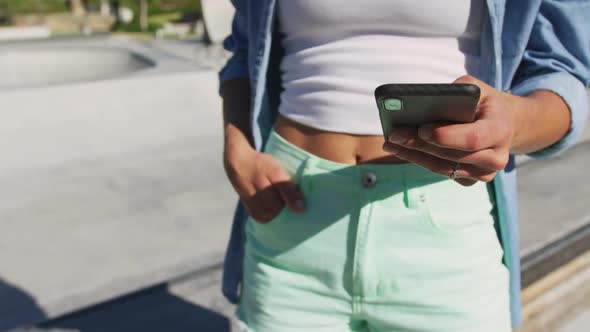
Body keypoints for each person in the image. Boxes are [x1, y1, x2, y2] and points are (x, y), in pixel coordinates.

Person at [218, 1, 590, 331]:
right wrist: (237, 145)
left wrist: (513, 122)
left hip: (444, 225)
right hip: (291, 217)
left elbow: (562, 71)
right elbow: (245, 50)